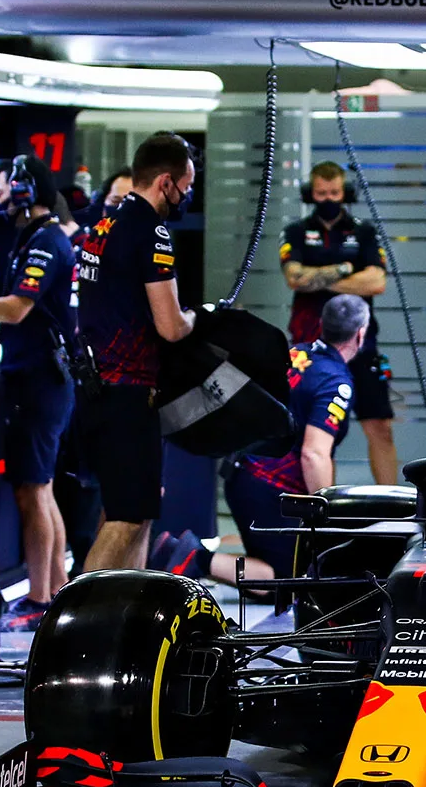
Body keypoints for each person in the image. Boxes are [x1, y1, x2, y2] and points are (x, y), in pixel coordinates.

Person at [151, 295, 367, 583]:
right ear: (360, 334)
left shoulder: (297, 353)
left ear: (322, 325)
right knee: (289, 578)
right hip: (269, 486)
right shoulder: (336, 381)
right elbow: (313, 455)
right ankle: (192, 556)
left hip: (242, 474)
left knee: (277, 566)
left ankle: (184, 553)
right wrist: (327, 520)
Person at [0, 154, 76, 633]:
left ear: (28, 189)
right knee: (40, 489)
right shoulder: (34, 237)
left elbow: (19, 308)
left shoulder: (44, 241)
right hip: (38, 377)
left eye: (6, 185)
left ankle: (40, 596)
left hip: (40, 381)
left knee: (34, 491)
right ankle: (59, 587)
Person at [73, 131, 197, 573]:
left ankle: (123, 623)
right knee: (126, 520)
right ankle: (76, 627)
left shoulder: (103, 225)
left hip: (97, 389)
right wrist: (199, 318)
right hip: (128, 393)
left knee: (132, 512)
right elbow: (171, 325)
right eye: (187, 184)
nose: (187, 195)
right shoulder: (151, 232)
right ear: (166, 182)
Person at [280, 161, 397, 484]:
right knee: (316, 435)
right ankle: (323, 508)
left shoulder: (364, 231)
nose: (328, 198)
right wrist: (346, 269)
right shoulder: (296, 232)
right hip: (310, 349)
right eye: (321, 193)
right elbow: (294, 278)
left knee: (381, 428)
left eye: (334, 192)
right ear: (310, 193)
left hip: (361, 346)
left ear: (345, 192)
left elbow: (376, 282)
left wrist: (317, 278)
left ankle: (396, 509)